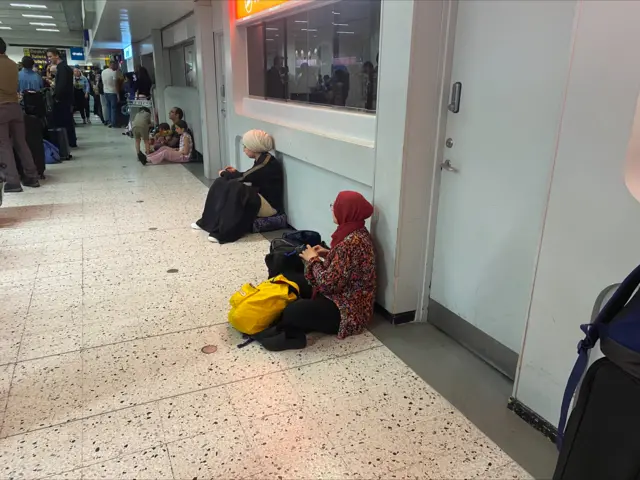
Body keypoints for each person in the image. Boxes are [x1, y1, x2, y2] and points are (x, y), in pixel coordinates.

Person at [260, 191, 376, 351]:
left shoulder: (351, 243)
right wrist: (328, 253)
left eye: (336, 207)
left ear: (347, 211)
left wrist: (312, 259)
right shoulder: (355, 232)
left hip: (347, 310)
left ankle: (281, 320)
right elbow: (348, 266)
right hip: (340, 294)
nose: (333, 210)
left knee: (294, 311)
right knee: (286, 277)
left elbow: (329, 284)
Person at [192, 129, 283, 243]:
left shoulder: (267, 163)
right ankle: (207, 222)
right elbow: (248, 175)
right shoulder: (263, 159)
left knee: (236, 187)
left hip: (270, 207)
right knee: (221, 182)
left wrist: (225, 173)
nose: (244, 149)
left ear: (254, 147)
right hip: (260, 198)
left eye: (245, 146)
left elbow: (243, 177)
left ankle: (224, 233)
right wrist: (230, 174)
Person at [0, 37, 41, 192]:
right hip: (15, 108)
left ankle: (12, 182)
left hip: (1, 108)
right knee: (21, 143)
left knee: (3, 146)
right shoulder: (12, 64)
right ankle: (31, 176)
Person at [46, 48, 77, 148]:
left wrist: (56, 97)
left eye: (50, 56)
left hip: (62, 100)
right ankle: (71, 141)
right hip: (67, 99)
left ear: (57, 55)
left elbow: (62, 85)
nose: (49, 59)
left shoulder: (62, 68)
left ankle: (67, 142)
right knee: (68, 121)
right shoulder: (65, 67)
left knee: (63, 122)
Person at [102, 61, 121, 128]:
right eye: (115, 65)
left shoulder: (103, 72)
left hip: (105, 92)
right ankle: (114, 123)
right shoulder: (114, 72)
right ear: (112, 65)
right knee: (113, 108)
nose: (116, 67)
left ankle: (110, 121)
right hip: (112, 92)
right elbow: (116, 84)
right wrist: (118, 94)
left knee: (109, 107)